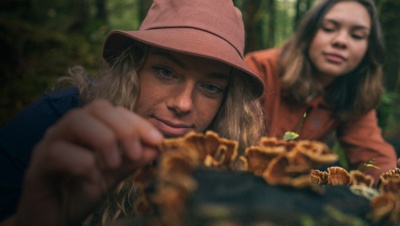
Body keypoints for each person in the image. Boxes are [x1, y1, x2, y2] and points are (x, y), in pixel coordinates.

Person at [0, 0, 265, 225]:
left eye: (210, 87)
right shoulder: (53, 123)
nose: (183, 104)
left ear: (227, 99)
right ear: (134, 64)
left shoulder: (230, 160)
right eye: (165, 72)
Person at [244, 0, 397, 184]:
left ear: (369, 50)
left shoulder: (355, 91)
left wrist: (391, 181)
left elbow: (371, 152)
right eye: (328, 28)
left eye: (357, 36)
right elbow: (236, 138)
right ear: (308, 34)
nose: (341, 41)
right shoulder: (259, 68)